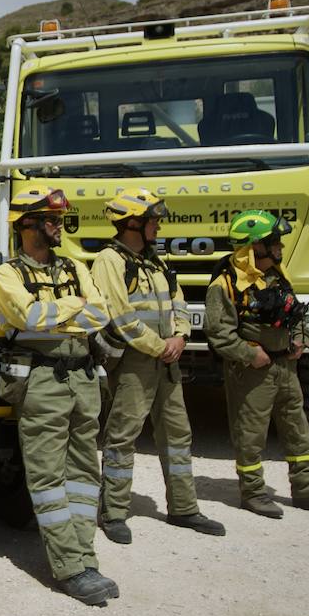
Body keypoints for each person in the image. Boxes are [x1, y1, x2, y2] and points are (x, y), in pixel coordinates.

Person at [0, 187, 117, 606]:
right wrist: (74, 306)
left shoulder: (75, 267)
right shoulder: (7, 275)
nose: (59, 226)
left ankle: (85, 558)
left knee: (84, 473)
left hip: (84, 376)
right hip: (42, 381)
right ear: (27, 225)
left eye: (60, 219)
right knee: (47, 478)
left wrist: (60, 314)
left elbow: (100, 313)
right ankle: (69, 568)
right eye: (51, 220)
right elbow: (28, 316)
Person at [91, 188, 225, 543]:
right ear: (133, 222)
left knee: (178, 434)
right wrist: (160, 346)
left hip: (166, 359)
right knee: (123, 434)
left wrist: (181, 335)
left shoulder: (155, 260)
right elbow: (119, 316)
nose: (159, 226)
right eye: (153, 220)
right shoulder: (109, 260)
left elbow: (178, 300)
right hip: (135, 362)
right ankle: (114, 512)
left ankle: (184, 508)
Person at [205, 210, 309, 519]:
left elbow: (294, 314)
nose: (280, 247)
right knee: (250, 434)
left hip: (285, 368)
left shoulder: (276, 276)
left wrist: (300, 339)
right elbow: (218, 334)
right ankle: (253, 493)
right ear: (255, 247)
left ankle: (308, 490)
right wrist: (250, 355)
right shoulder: (225, 284)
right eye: (274, 242)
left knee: (298, 430)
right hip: (252, 372)